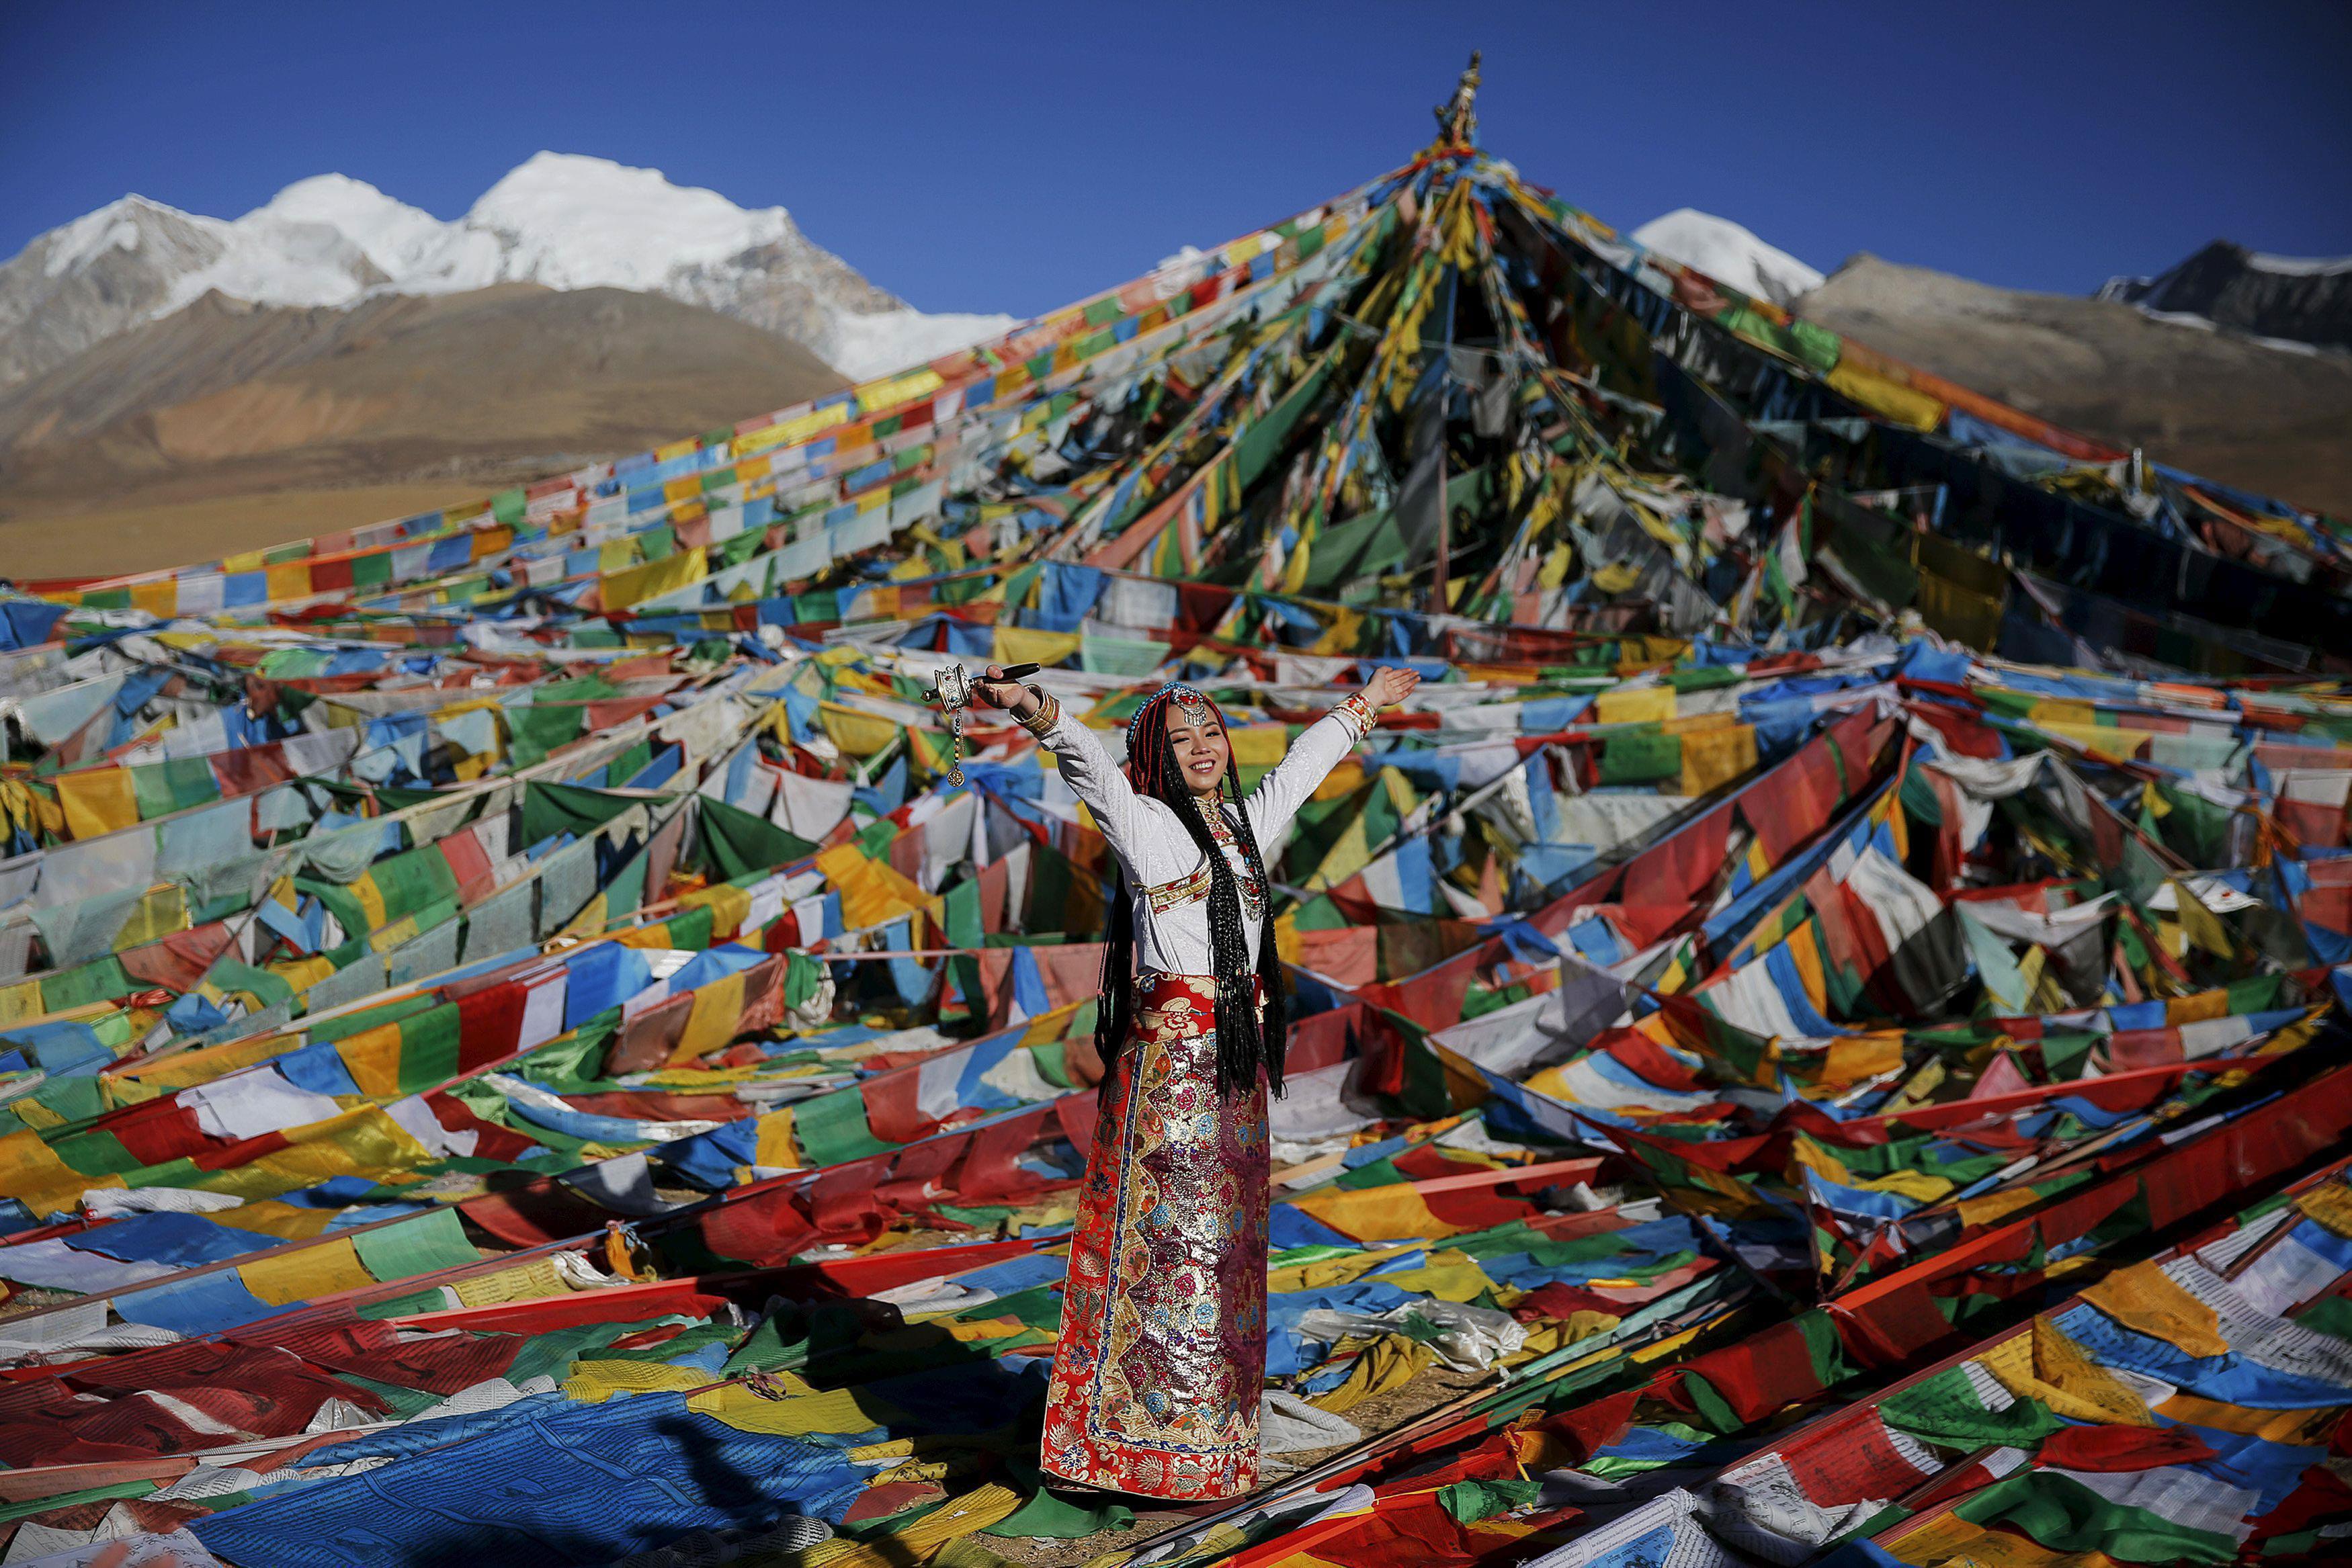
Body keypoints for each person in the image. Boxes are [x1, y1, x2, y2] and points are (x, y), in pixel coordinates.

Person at [970, 663, 1421, 1501]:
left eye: (1210, 734)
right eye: (1180, 742)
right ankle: (1124, 1445)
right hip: (1168, 1073)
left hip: (1233, 1066)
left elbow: (1299, 769)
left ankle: (1206, 1438)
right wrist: (1032, 707)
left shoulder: (1244, 828)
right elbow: (1083, 761)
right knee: (1160, 1250)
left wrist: (1366, 706)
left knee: (1224, 1255)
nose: (1202, 749)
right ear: (1157, 762)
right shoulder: (1142, 823)